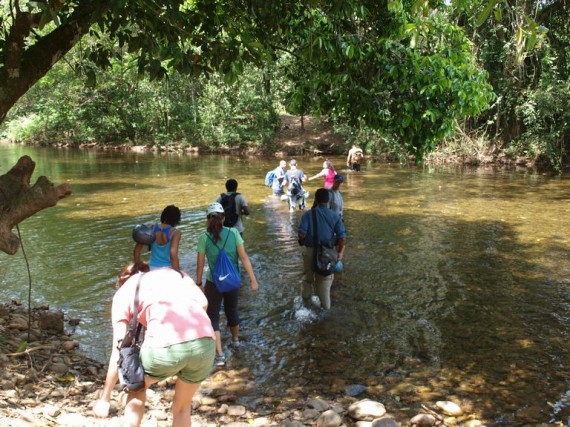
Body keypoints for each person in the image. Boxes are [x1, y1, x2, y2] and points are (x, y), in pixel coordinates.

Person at [92, 264, 216, 426]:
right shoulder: (176, 274)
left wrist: (105, 398)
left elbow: (119, 346)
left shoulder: (125, 292)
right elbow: (203, 302)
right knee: (182, 408)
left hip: (164, 346)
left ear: (122, 281)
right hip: (205, 341)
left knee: (137, 388)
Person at [196, 202, 259, 367]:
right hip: (232, 281)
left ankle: (220, 355)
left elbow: (200, 264)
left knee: (213, 316)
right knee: (232, 310)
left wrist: (198, 283)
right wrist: (253, 279)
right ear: (223, 218)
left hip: (213, 283)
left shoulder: (204, 238)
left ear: (208, 219)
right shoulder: (234, 233)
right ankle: (236, 340)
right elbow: (243, 257)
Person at [297, 188, 347, 310]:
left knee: (307, 279)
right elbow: (342, 238)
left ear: (316, 199)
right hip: (327, 254)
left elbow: (301, 234)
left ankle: (305, 305)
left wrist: (303, 242)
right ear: (328, 200)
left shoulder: (308, 214)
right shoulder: (335, 216)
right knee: (324, 281)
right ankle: (325, 309)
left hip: (310, 251)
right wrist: (339, 254)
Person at [133, 205, 181, 272]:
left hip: (152, 267)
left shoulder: (151, 228)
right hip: (168, 268)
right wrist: (177, 270)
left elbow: (137, 249)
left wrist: (137, 264)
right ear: (176, 219)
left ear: (163, 215)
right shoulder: (175, 233)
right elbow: (173, 253)